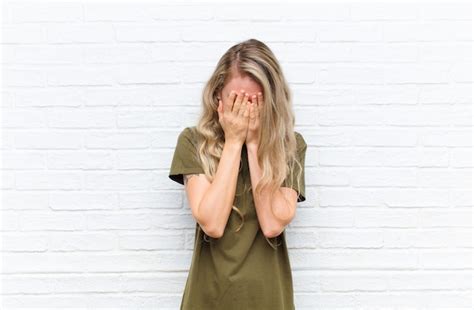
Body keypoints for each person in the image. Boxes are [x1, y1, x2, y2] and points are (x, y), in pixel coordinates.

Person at [169, 38, 307, 310]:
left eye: (253, 102)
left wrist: (254, 145)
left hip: (269, 298)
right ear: (218, 95)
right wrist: (234, 143)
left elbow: (272, 224)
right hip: (207, 296)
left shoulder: (291, 146)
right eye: (236, 101)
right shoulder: (193, 142)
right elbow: (212, 223)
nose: (245, 112)